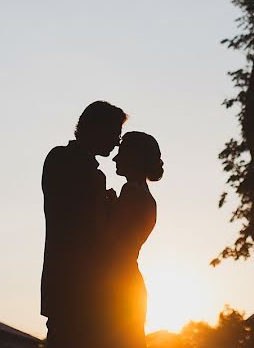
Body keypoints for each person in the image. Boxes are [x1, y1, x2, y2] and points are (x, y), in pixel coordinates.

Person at [41, 101, 128, 348]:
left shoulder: (67, 162)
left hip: (69, 289)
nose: (118, 141)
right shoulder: (70, 163)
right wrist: (109, 209)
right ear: (96, 128)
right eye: (115, 133)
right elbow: (89, 229)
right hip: (79, 290)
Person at [107, 131, 164, 348]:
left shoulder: (130, 193)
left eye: (121, 153)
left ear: (135, 158)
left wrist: (105, 207)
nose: (115, 158)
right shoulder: (146, 198)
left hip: (118, 285)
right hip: (129, 283)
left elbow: (109, 239)